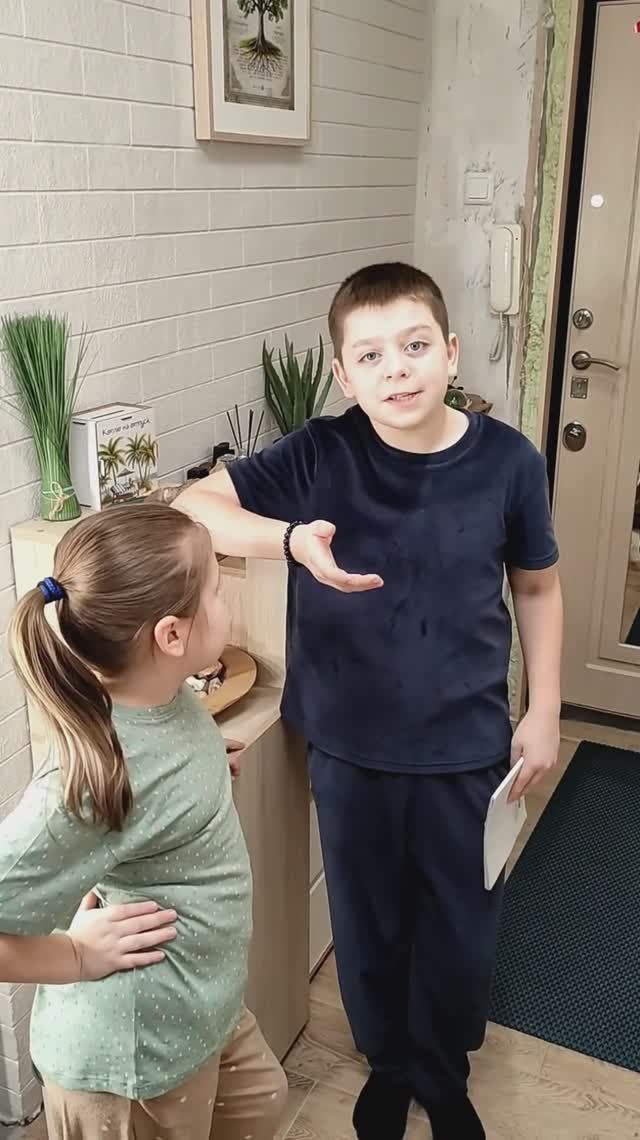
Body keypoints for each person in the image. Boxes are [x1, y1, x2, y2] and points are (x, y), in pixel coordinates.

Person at [177, 262, 563, 1140]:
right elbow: (195, 507)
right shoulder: (322, 451)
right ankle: (389, 1065)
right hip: (349, 742)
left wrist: (544, 709)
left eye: (415, 346)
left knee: (460, 920)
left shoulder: (509, 461)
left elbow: (537, 586)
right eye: (372, 355)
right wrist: (289, 541)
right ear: (344, 375)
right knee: (368, 919)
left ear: (450, 352)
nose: (397, 369)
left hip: (468, 743)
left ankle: (444, 1071)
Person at [0, 502, 287, 1140]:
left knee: (263, 1101)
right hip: (134, 1059)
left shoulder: (167, 694)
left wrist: (203, 767)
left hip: (200, 1008)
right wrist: (76, 954)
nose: (225, 601)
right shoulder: (88, 782)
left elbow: (158, 782)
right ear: (170, 635)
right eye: (217, 589)